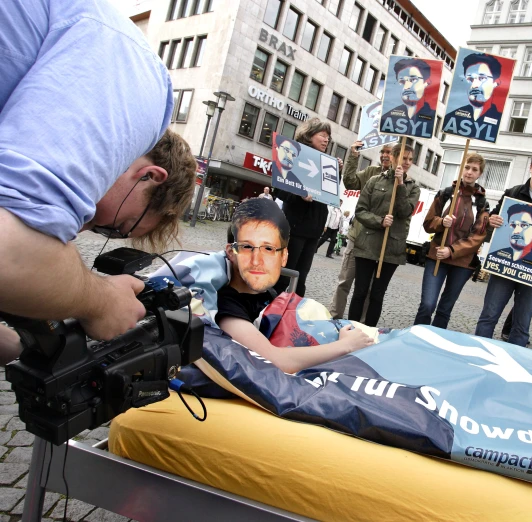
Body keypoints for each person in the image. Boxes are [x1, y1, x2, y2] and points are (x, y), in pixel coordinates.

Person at [0, 0, 188, 362]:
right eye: (114, 227)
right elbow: (9, 251)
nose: (83, 231)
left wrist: (22, 345)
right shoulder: (142, 83)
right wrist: (99, 300)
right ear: (149, 176)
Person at [216, 198, 373, 374]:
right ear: (231, 252)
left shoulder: (267, 293)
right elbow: (274, 359)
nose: (257, 259)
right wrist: (345, 345)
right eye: (247, 247)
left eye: (268, 249)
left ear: (283, 258)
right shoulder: (228, 305)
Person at [475, 150, 532, 348]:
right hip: (504, 265)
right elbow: (494, 218)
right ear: (531, 168)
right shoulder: (513, 193)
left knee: (522, 325)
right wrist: (493, 220)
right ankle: (477, 354)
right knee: (488, 316)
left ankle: (512, 366)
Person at [348, 143, 420, 327]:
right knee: (360, 291)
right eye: (404, 158)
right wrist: (379, 221)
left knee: (377, 294)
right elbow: (361, 211)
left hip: (391, 248)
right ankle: (350, 331)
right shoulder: (375, 181)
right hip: (368, 243)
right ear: (394, 158)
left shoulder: (413, 188)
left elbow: (404, 211)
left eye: (410, 160)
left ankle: (370, 333)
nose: (407, 163)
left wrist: (401, 185)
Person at [414, 152, 489, 328]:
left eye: (474, 169)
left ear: (479, 174)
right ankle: (416, 339)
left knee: (445, 309)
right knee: (427, 305)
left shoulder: (481, 203)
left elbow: (478, 236)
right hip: (437, 256)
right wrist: (441, 222)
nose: (469, 172)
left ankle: (437, 346)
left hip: (462, 263)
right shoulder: (446, 194)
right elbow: (428, 224)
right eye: (467, 167)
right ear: (461, 169)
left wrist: (452, 250)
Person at [329, 143, 394, 319]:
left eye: (388, 152)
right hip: (357, 236)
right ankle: (334, 317)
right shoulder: (371, 172)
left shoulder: (399, 180)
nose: (384, 155)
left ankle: (361, 323)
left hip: (377, 242)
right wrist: (353, 156)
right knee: (344, 281)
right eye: (382, 152)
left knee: (366, 289)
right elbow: (350, 182)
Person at [273, 119, 335, 297]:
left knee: (301, 280)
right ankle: (268, 312)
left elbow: (327, 195)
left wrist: (334, 174)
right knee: (285, 276)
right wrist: (298, 194)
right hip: (295, 228)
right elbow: (279, 190)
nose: (326, 140)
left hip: (313, 231)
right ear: (309, 135)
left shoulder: (325, 162)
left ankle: (293, 316)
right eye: (322, 135)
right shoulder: (292, 153)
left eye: (328, 137)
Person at [443, 53, 503, 141]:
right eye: (470, 79)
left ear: (496, 83)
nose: (474, 85)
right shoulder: (450, 117)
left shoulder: (499, 122)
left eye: (482, 78)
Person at [381, 58, 436, 138]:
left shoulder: (431, 117)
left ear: (426, 83)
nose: (407, 87)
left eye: (413, 80)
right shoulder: (386, 117)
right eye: (402, 82)